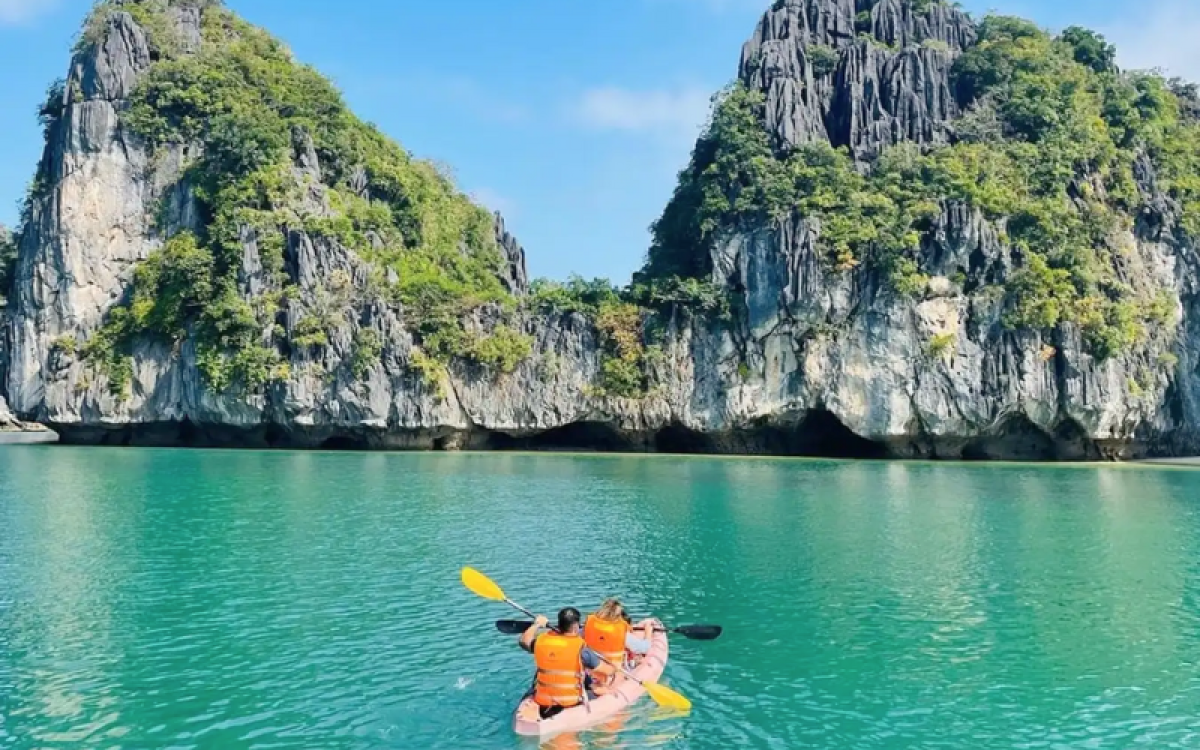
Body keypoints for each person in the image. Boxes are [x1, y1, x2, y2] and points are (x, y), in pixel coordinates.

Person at [519, 607, 613, 719]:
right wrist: (614, 667)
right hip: (570, 702)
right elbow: (606, 671)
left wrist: (536, 624)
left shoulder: (542, 641)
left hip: (543, 702)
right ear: (575, 627)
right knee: (604, 690)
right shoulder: (581, 649)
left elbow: (523, 641)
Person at [583, 598, 657, 691]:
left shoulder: (588, 627)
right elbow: (644, 648)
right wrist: (648, 631)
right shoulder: (620, 633)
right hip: (610, 674)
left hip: (589, 672)